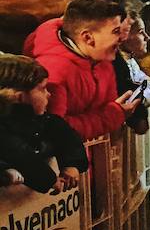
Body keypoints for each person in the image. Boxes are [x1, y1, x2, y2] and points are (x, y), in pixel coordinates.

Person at [25, 0, 140, 141]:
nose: (122, 38)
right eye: (116, 31)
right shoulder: (54, 72)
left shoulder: (102, 60)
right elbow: (56, 130)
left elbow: (108, 105)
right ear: (87, 37)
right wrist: (112, 116)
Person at [0, 54, 87, 194]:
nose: (48, 94)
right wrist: (50, 180)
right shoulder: (4, 129)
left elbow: (65, 135)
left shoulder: (41, 120)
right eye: (42, 89)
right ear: (18, 96)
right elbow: (18, 153)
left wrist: (72, 164)